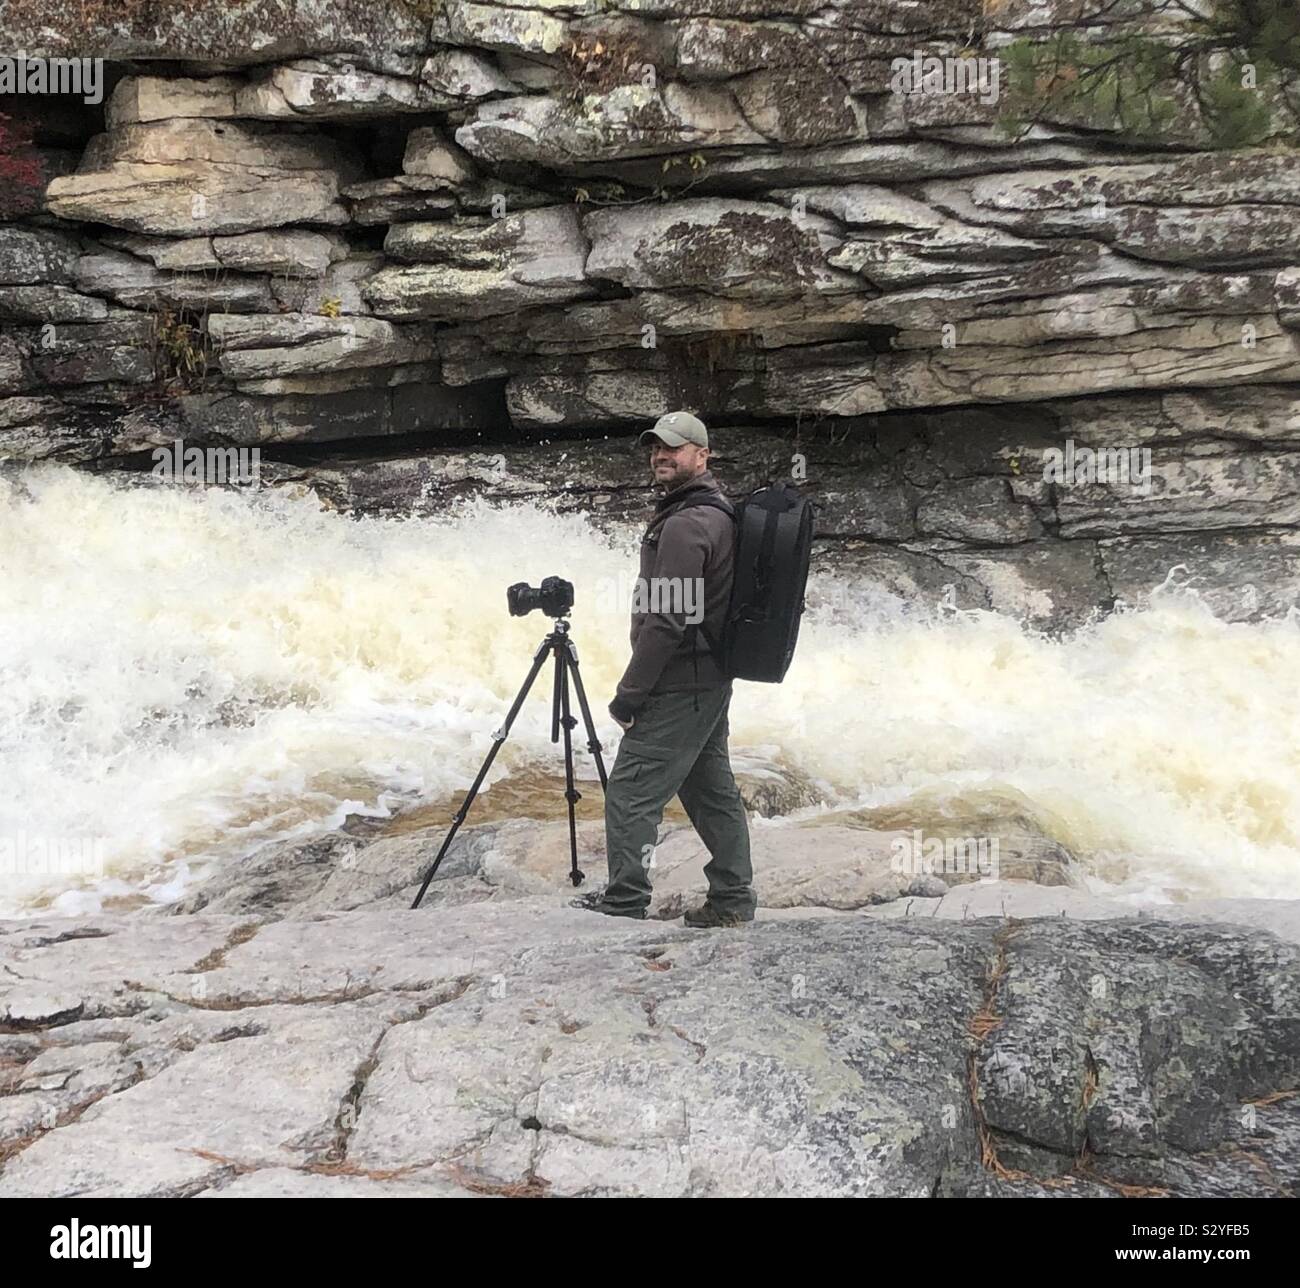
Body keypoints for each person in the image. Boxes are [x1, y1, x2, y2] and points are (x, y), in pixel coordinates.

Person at [574, 411, 756, 927]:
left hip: (679, 683)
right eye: (655, 447)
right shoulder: (720, 511)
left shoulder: (685, 524)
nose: (661, 456)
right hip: (711, 678)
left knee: (630, 793)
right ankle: (732, 900)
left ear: (702, 454)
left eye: (673, 448)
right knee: (711, 790)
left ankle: (625, 903)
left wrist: (630, 695)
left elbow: (667, 620)